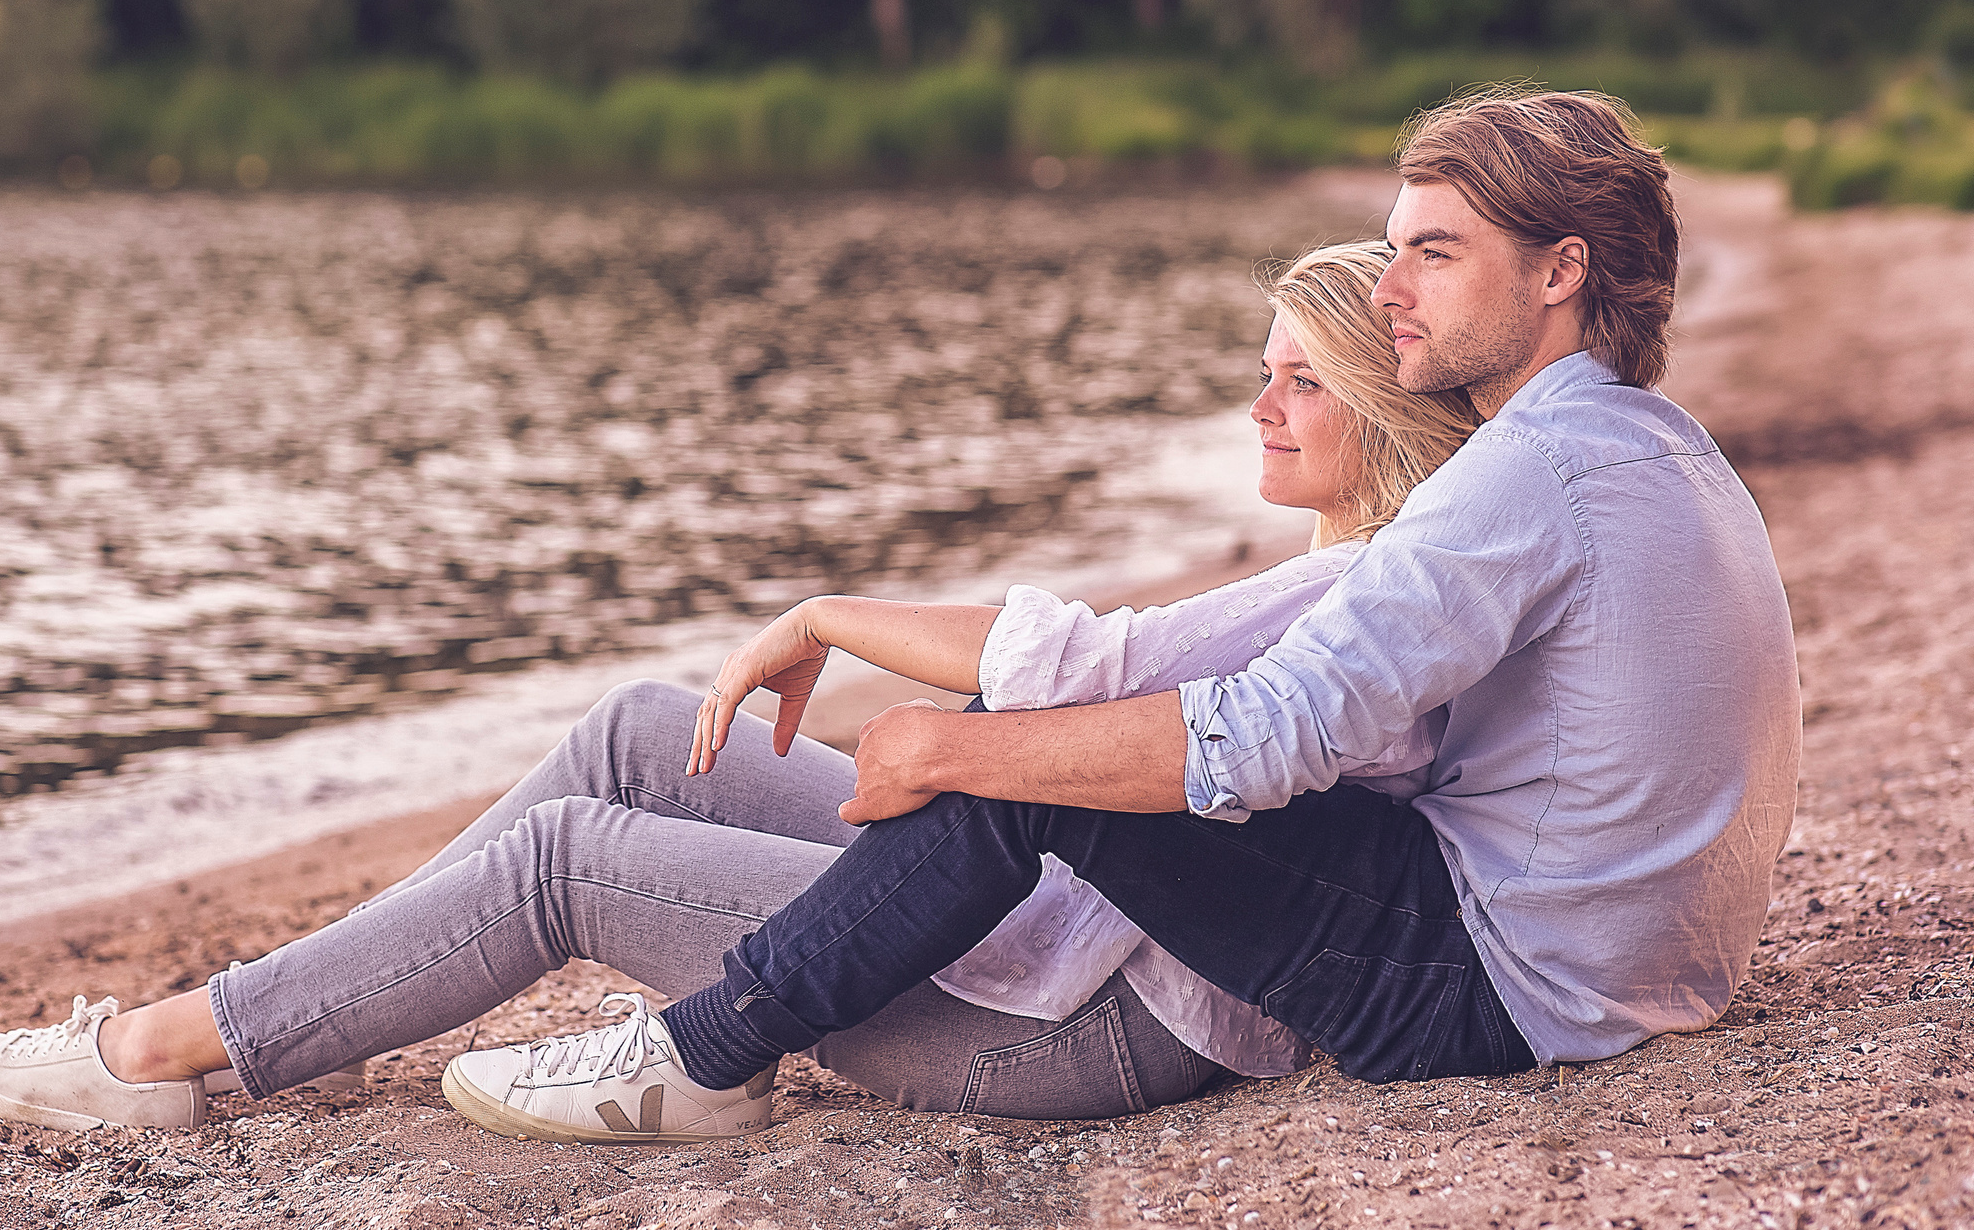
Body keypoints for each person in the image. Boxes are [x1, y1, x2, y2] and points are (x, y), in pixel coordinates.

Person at [437, 86, 1800, 1146]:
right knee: (1058, 734)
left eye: (1432, 256)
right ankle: (706, 1034)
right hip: (1625, 969)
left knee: (1042, 749)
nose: (1387, 296)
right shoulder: (1658, 447)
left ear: (1559, 272)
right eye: (1392, 254)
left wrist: (957, 754)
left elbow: (1273, 735)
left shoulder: (1533, 467)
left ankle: (703, 1052)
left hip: (1501, 988)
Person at [0, 235, 1477, 1135]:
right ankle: (294, 993)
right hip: (1038, 919)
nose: (1258, 404)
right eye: (1264, 366)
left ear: (1382, 413)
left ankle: (157, 1055)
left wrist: (836, 617)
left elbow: (1083, 669)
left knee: (567, 864)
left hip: (1089, 1024)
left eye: (1300, 382)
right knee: (634, 730)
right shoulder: (1360, 562)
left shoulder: (1360, 594)